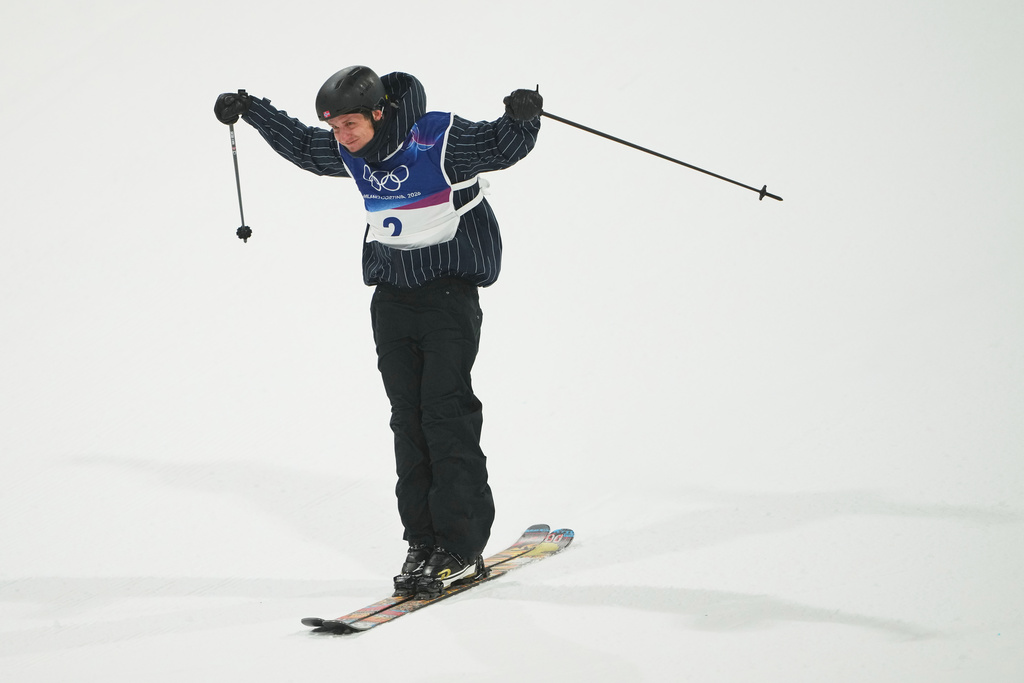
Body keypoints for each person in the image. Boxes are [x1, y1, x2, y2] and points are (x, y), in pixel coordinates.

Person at [213, 67, 542, 599]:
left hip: (448, 298)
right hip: (391, 301)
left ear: (379, 112)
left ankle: (460, 548)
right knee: (407, 421)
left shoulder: (439, 139)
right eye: (335, 126)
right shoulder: (350, 152)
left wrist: (522, 118)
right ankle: (422, 542)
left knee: (445, 413)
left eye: (350, 123)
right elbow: (302, 145)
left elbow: (499, 146)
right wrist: (250, 109)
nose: (342, 135)